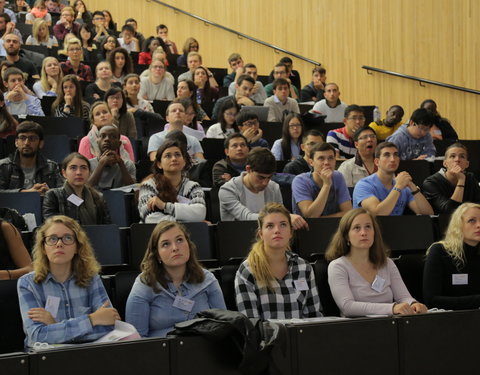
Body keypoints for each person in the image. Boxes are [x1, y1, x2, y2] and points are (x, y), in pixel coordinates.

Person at [17, 215, 119, 347]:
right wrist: (92, 319)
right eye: (52, 239)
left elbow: (109, 326)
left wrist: (54, 326)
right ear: (43, 247)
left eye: (67, 238)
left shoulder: (91, 278)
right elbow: (38, 335)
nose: (59, 244)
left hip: (88, 354)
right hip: (46, 360)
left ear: (77, 247)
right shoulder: (28, 283)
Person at [126, 221, 225, 337]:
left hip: (203, 350)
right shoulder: (145, 284)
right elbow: (136, 340)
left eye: (179, 240)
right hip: (160, 352)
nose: (175, 248)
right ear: (157, 255)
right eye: (166, 244)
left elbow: (223, 326)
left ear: (188, 245)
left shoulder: (207, 279)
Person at [326, 208, 427, 317]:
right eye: (357, 228)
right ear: (346, 236)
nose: (364, 233)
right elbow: (347, 307)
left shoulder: (387, 263)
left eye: (368, 227)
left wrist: (414, 304)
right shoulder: (338, 266)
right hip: (356, 327)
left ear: (374, 232)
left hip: (391, 325)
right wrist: (391, 308)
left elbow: (403, 297)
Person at [235, 203, 321, 319]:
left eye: (283, 225)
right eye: (270, 226)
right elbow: (251, 324)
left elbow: (314, 316)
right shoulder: (248, 270)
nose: (277, 230)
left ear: (291, 232)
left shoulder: (304, 267)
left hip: (301, 336)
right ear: (261, 234)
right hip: (265, 337)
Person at [219, 147, 308, 230]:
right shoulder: (227, 190)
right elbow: (246, 218)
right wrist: (286, 217)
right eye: (260, 177)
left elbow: (280, 214)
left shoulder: (274, 187)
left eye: (269, 177)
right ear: (248, 169)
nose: (265, 182)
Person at [423, 203, 480, 310]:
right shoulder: (440, 251)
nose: (478, 225)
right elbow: (431, 300)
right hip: (448, 319)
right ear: (458, 225)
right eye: (472, 220)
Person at [353, 142, 433, 216]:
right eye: (387, 155)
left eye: (395, 155)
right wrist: (398, 187)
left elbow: (427, 214)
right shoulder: (364, 185)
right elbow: (379, 214)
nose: (392, 159)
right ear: (377, 162)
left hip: (396, 228)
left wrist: (412, 186)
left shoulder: (403, 186)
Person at [138, 140, 206, 223]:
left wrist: (165, 206)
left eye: (177, 155)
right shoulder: (149, 185)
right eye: (168, 156)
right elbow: (151, 218)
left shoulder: (193, 186)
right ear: (159, 164)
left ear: (184, 161)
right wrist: (189, 222)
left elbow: (200, 213)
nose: (174, 159)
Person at [43, 153, 111, 224]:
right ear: (64, 173)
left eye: (83, 168)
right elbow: (51, 226)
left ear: (89, 173)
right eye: (73, 168)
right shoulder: (53, 196)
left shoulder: (98, 197)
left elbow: (107, 228)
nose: (79, 172)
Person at [292, 143, 352, 217]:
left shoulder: (338, 176)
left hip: (335, 226)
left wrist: (323, 219)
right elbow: (311, 216)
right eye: (321, 158)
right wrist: (326, 185)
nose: (327, 162)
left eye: (330, 158)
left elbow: (348, 212)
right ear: (311, 162)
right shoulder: (300, 181)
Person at [422, 143, 480, 214]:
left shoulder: (470, 178)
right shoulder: (430, 183)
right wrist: (461, 180)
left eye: (462, 156)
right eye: (452, 156)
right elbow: (449, 211)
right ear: (445, 163)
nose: (457, 159)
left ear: (467, 164)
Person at [88, 125, 136, 190]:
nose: (107, 139)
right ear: (97, 141)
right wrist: (101, 164)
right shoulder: (88, 164)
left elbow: (133, 189)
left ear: (119, 144)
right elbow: (86, 188)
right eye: (103, 136)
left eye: (112, 137)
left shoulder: (128, 164)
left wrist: (121, 163)